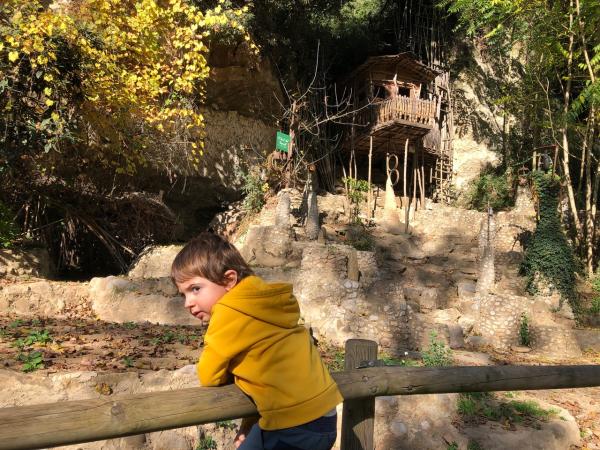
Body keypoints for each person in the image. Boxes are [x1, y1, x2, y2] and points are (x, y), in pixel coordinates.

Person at [171, 232, 343, 450]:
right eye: (183, 294)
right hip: (324, 417)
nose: (188, 302)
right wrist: (248, 425)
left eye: (195, 289)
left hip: (293, 424)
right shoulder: (264, 302)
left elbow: (208, 376)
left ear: (229, 280)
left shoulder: (227, 311)